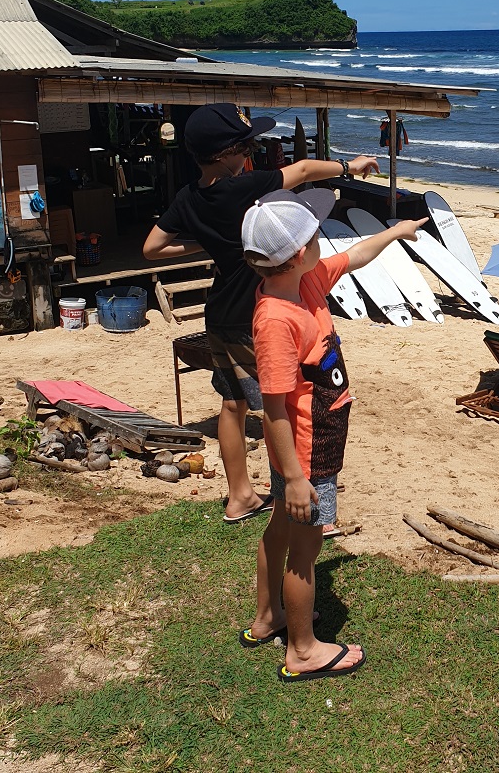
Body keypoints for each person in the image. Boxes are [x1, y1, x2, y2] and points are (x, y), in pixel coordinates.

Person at [142, 103, 379, 524]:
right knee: (280, 405)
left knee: (232, 406)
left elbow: (152, 249)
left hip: (218, 316)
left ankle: (239, 496)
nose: (249, 152)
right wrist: (350, 165)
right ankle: (294, 489)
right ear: (226, 153)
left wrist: (209, 242)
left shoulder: (188, 197)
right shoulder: (245, 187)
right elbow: (304, 170)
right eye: (245, 145)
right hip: (255, 316)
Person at [238, 187, 426, 682]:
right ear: (300, 253)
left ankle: (267, 618)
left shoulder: (305, 281)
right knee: (306, 547)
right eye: (316, 233)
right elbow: (273, 408)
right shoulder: (276, 319)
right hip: (306, 450)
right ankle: (302, 651)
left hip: (308, 446)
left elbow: (355, 255)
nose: (324, 239)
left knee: (280, 529)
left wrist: (396, 232)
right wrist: (298, 477)